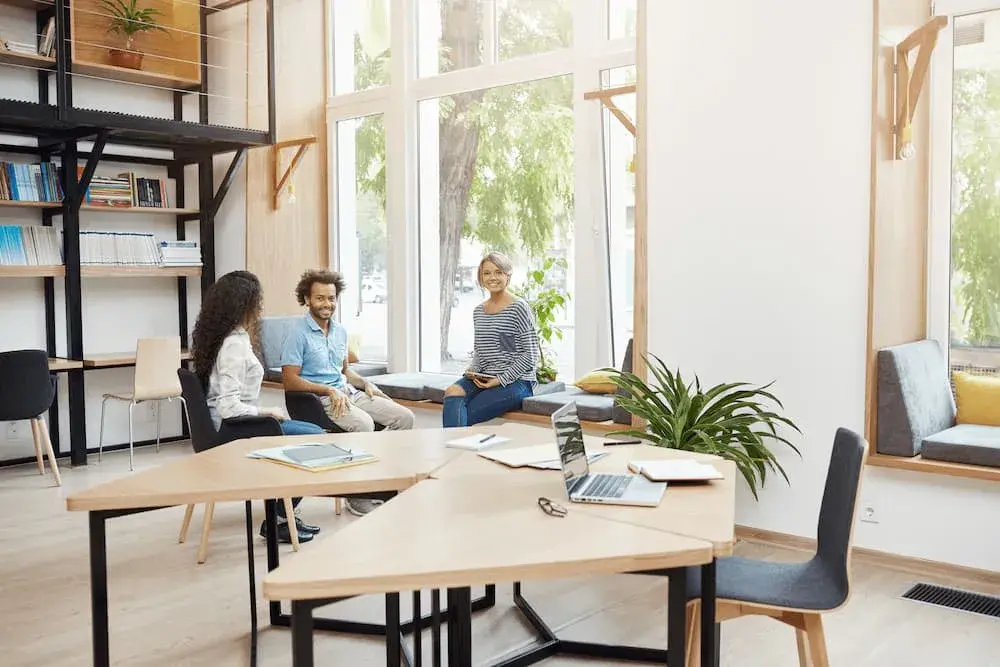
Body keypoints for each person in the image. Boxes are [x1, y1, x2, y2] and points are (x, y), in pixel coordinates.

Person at [191, 270, 325, 546]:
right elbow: (228, 407)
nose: (261, 308)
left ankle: (283, 516)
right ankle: (278, 518)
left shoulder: (229, 339)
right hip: (234, 430)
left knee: (312, 432)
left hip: (238, 425)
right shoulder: (232, 346)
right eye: (257, 302)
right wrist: (267, 412)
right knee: (316, 439)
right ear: (243, 305)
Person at [280, 269, 415, 515]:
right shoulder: (296, 334)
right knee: (364, 425)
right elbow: (289, 380)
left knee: (405, 418)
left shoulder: (340, 331)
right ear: (307, 299)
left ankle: (380, 481)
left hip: (348, 392)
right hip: (319, 399)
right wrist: (328, 390)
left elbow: (345, 372)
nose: (327, 304)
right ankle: (357, 493)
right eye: (320, 298)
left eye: (331, 298)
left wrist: (366, 384)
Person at [443, 252, 540, 427]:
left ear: (507, 275)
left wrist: (500, 379)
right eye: (487, 273)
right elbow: (480, 351)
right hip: (485, 376)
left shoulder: (519, 308)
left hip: (516, 382)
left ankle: (452, 451)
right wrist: (473, 369)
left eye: (498, 272)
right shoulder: (479, 311)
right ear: (480, 277)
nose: (492, 277)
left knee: (465, 413)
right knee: (452, 391)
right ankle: (456, 449)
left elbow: (530, 355)